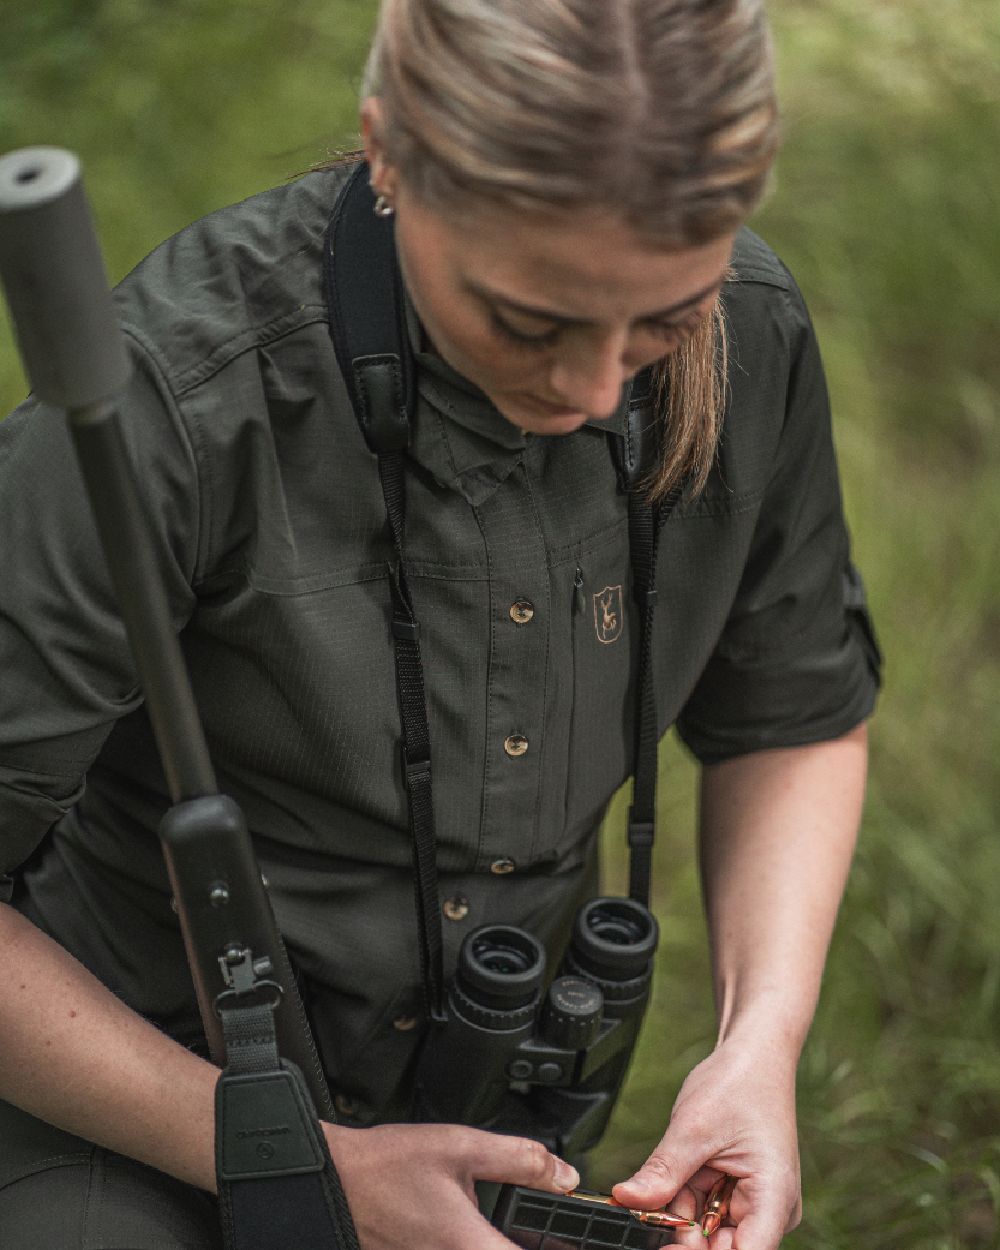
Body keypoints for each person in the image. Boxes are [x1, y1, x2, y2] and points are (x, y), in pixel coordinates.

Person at [0, 1, 881, 1247]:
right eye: (529, 320)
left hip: (494, 1122)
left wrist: (758, 1045)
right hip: (117, 1091)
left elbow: (791, 718)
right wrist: (298, 1155)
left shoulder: (757, 329)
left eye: (662, 322)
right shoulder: (175, 402)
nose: (589, 391)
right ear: (388, 153)